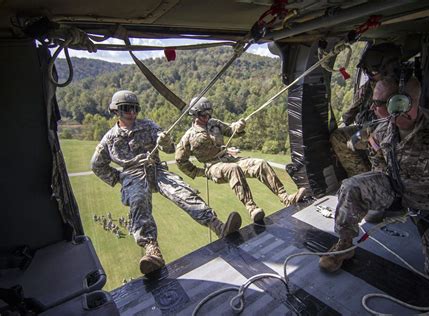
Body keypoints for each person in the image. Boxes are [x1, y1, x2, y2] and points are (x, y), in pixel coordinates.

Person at [319, 78, 429, 294]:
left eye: (379, 103)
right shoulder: (384, 128)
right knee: (351, 187)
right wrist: (372, 151)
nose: (373, 108)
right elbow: (359, 147)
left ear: (402, 105)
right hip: (399, 193)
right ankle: (345, 243)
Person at [91, 90, 242, 275]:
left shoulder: (149, 126)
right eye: (126, 109)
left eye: (134, 109)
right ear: (116, 112)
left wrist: (165, 141)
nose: (131, 113)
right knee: (138, 199)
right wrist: (118, 178)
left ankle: (218, 226)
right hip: (133, 174)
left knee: (183, 192)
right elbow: (97, 165)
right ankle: (151, 249)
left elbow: (170, 149)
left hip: (156, 168)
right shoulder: (109, 138)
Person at [175, 97, 307, 222]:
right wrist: (198, 172)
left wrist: (239, 126)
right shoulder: (189, 136)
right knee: (233, 169)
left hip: (229, 159)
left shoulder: (214, 124)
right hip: (213, 166)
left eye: (209, 114)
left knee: (260, 164)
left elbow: (231, 130)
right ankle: (252, 208)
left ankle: (286, 198)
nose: (207, 117)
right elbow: (180, 160)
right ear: (195, 115)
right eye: (204, 115)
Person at [330, 43, 402, 177]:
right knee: (337, 136)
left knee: (367, 139)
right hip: (368, 127)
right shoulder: (367, 87)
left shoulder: (400, 87)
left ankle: (377, 177)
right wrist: (342, 122)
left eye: (373, 72)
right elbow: (352, 111)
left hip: (389, 131)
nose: (369, 75)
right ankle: (360, 176)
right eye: (367, 71)